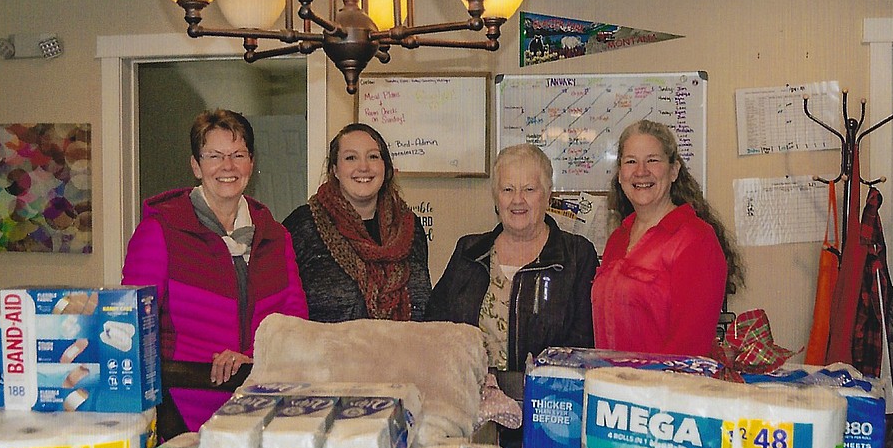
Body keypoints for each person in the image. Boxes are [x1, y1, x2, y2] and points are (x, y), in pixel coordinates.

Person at [122, 109, 308, 434]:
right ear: (196, 165)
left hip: (261, 405)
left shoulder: (277, 236)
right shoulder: (159, 231)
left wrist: (252, 356)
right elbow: (134, 324)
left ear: (251, 163)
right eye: (214, 156)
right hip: (181, 409)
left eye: (238, 155)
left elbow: (294, 322)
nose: (228, 166)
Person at [426, 143, 598, 389]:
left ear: (548, 194)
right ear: (496, 196)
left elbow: (584, 343)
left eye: (529, 189)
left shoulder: (577, 255)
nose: (518, 200)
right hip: (469, 400)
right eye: (508, 189)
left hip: (546, 403)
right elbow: (435, 327)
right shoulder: (469, 251)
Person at [592, 119, 744, 357]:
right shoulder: (618, 239)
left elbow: (689, 350)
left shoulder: (696, 240)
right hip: (612, 387)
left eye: (653, 160)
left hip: (662, 390)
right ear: (620, 175)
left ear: (674, 171)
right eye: (631, 161)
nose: (641, 171)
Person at [283, 123, 431, 322]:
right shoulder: (303, 226)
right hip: (327, 352)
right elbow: (280, 309)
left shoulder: (410, 229)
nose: (363, 167)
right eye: (351, 157)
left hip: (406, 351)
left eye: (373, 156)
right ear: (335, 169)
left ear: (385, 168)